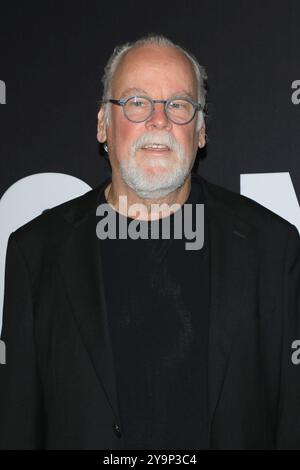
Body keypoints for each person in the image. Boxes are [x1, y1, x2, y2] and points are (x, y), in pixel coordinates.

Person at [0, 33, 299, 450]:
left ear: (201, 131)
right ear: (103, 124)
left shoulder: (273, 247)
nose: (159, 120)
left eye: (178, 104)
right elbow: (16, 426)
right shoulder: (35, 253)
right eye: (137, 102)